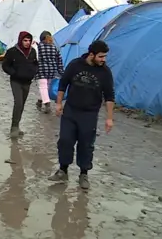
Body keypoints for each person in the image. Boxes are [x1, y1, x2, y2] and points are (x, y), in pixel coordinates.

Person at [49, 40, 114, 190]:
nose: (103, 60)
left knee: (86, 144)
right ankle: (63, 170)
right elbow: (63, 84)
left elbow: (110, 96)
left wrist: (109, 118)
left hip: (89, 114)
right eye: (101, 56)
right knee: (65, 140)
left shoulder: (105, 72)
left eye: (105, 57)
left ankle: (83, 174)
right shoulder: (75, 65)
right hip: (71, 110)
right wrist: (59, 103)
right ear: (91, 55)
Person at [1, 31, 38, 138]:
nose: (27, 43)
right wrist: (14, 72)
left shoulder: (32, 52)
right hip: (16, 81)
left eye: (29, 40)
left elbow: (36, 63)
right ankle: (14, 128)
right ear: (20, 40)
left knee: (22, 105)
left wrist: (34, 71)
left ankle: (17, 125)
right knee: (18, 103)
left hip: (27, 82)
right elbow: (5, 65)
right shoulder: (12, 51)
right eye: (25, 40)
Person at [35, 31, 64, 113]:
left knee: (42, 87)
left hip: (41, 70)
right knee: (46, 87)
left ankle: (47, 104)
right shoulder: (54, 47)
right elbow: (59, 60)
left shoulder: (40, 46)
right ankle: (40, 101)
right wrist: (61, 71)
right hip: (51, 70)